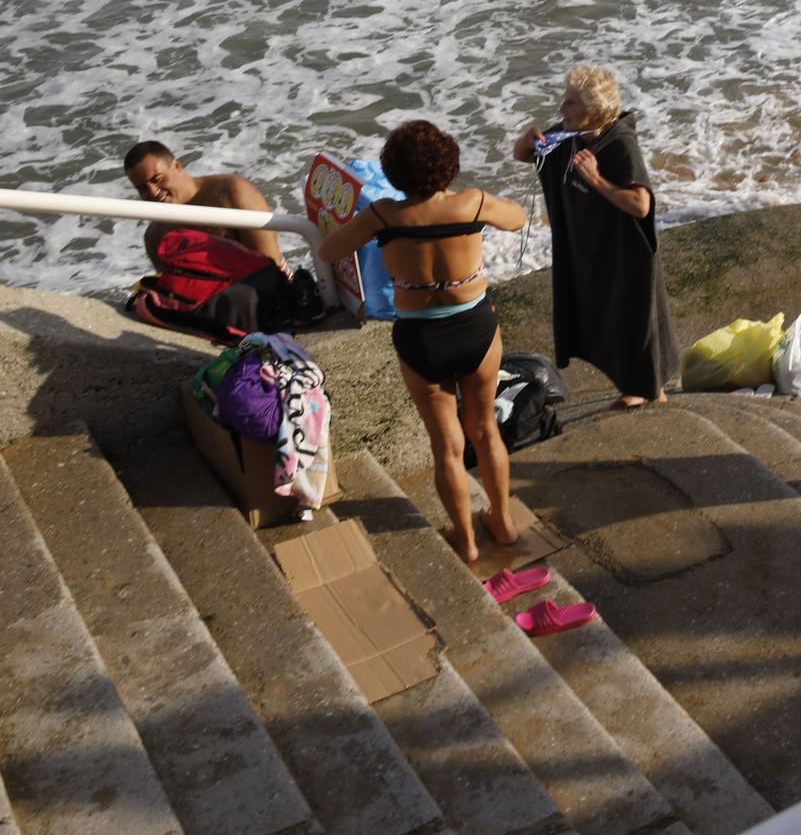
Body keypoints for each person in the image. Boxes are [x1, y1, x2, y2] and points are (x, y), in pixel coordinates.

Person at [318, 119, 526, 560]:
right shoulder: (472, 204)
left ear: (393, 173)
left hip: (420, 337)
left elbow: (329, 251)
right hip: (475, 330)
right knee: (485, 429)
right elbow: (518, 217)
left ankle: (467, 542)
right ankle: (504, 524)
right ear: (448, 165)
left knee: (446, 445)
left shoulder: (382, 216)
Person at [514, 64, 679, 407]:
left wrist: (597, 181)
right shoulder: (567, 134)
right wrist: (525, 140)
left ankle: (655, 395)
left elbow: (641, 205)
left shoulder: (621, 144)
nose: (562, 109)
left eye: (571, 103)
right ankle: (634, 389)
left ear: (594, 111)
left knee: (636, 322)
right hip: (590, 249)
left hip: (626, 253)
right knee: (603, 321)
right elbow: (525, 156)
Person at [124, 141, 283, 266]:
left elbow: (270, 266)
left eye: (157, 180)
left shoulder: (232, 192)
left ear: (177, 166)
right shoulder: (155, 237)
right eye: (142, 188)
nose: (153, 192)